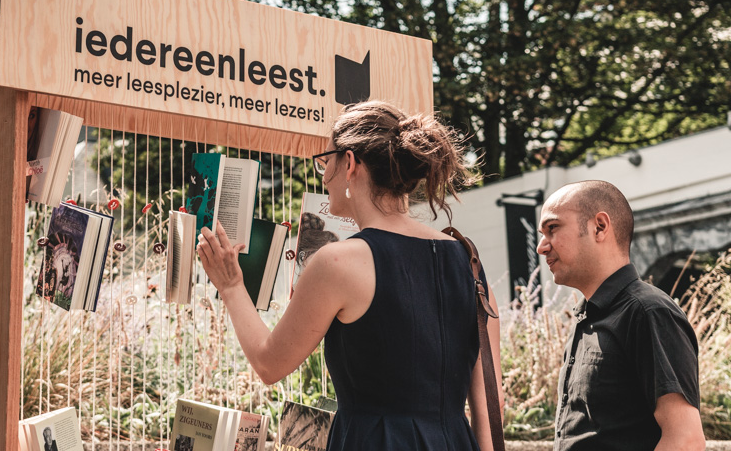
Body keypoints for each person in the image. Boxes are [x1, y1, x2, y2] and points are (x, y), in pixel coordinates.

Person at [198, 100, 503, 450]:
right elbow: (488, 405)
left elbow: (269, 364)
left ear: (351, 163)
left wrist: (232, 285)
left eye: (326, 162)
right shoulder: (468, 260)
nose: (324, 176)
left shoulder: (339, 262)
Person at [536, 181, 705, 450]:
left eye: (552, 228)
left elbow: (685, 440)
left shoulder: (648, 312)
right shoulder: (588, 318)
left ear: (599, 227)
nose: (542, 247)